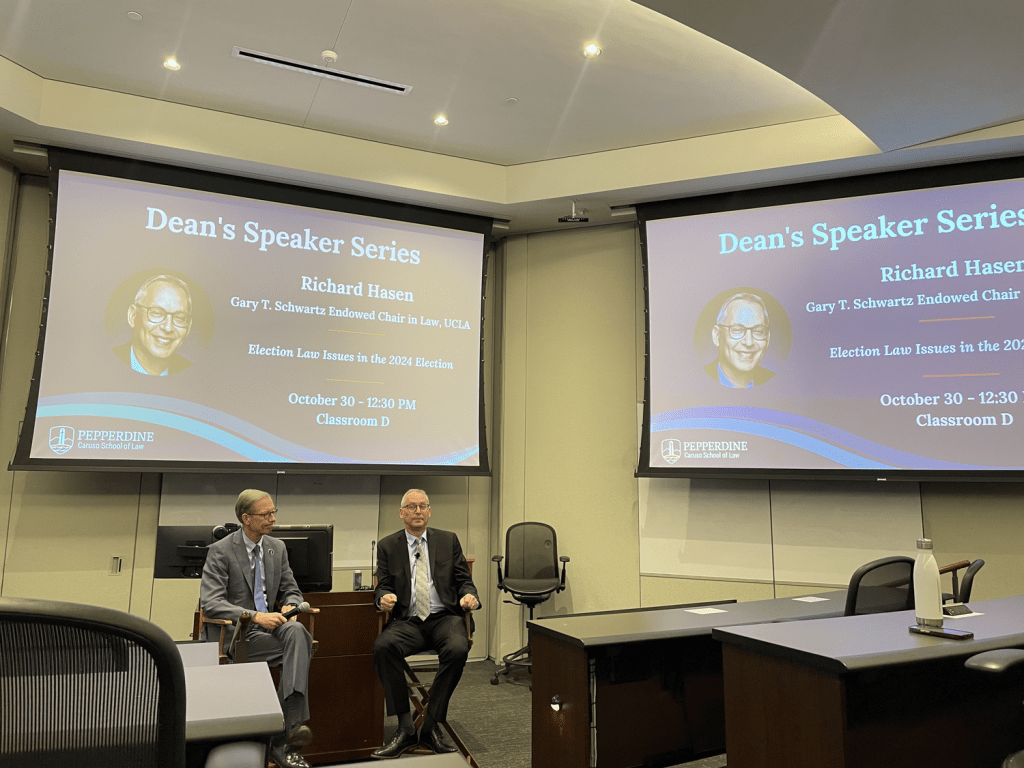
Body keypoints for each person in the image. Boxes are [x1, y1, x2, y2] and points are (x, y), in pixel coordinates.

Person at [200, 490, 314, 768]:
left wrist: (291, 604)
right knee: (300, 650)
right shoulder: (220, 551)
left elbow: (291, 589)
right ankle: (283, 738)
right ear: (246, 518)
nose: (273, 519)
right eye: (266, 514)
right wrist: (255, 616)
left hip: (272, 630)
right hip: (237, 634)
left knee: (299, 634)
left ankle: (278, 734)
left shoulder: (277, 547)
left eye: (274, 512)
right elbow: (211, 603)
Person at [371, 489, 480, 759]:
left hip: (445, 617)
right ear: (402, 513)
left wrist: (470, 595)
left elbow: (463, 579)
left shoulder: (448, 540)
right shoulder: (387, 546)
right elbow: (382, 585)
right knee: (383, 646)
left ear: (429, 511)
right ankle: (406, 727)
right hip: (409, 621)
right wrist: (383, 598)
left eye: (423, 506)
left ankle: (431, 725)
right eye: (412, 506)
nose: (418, 511)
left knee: (457, 649)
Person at [113, 274, 193, 375]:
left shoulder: (197, 375)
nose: (168, 328)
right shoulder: (103, 362)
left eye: (180, 318)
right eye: (156, 313)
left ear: (188, 327)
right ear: (133, 316)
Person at [703, 292, 775, 388]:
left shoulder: (781, 384)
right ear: (717, 336)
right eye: (737, 330)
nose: (749, 342)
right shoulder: (692, 381)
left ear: (768, 338)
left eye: (758, 331)